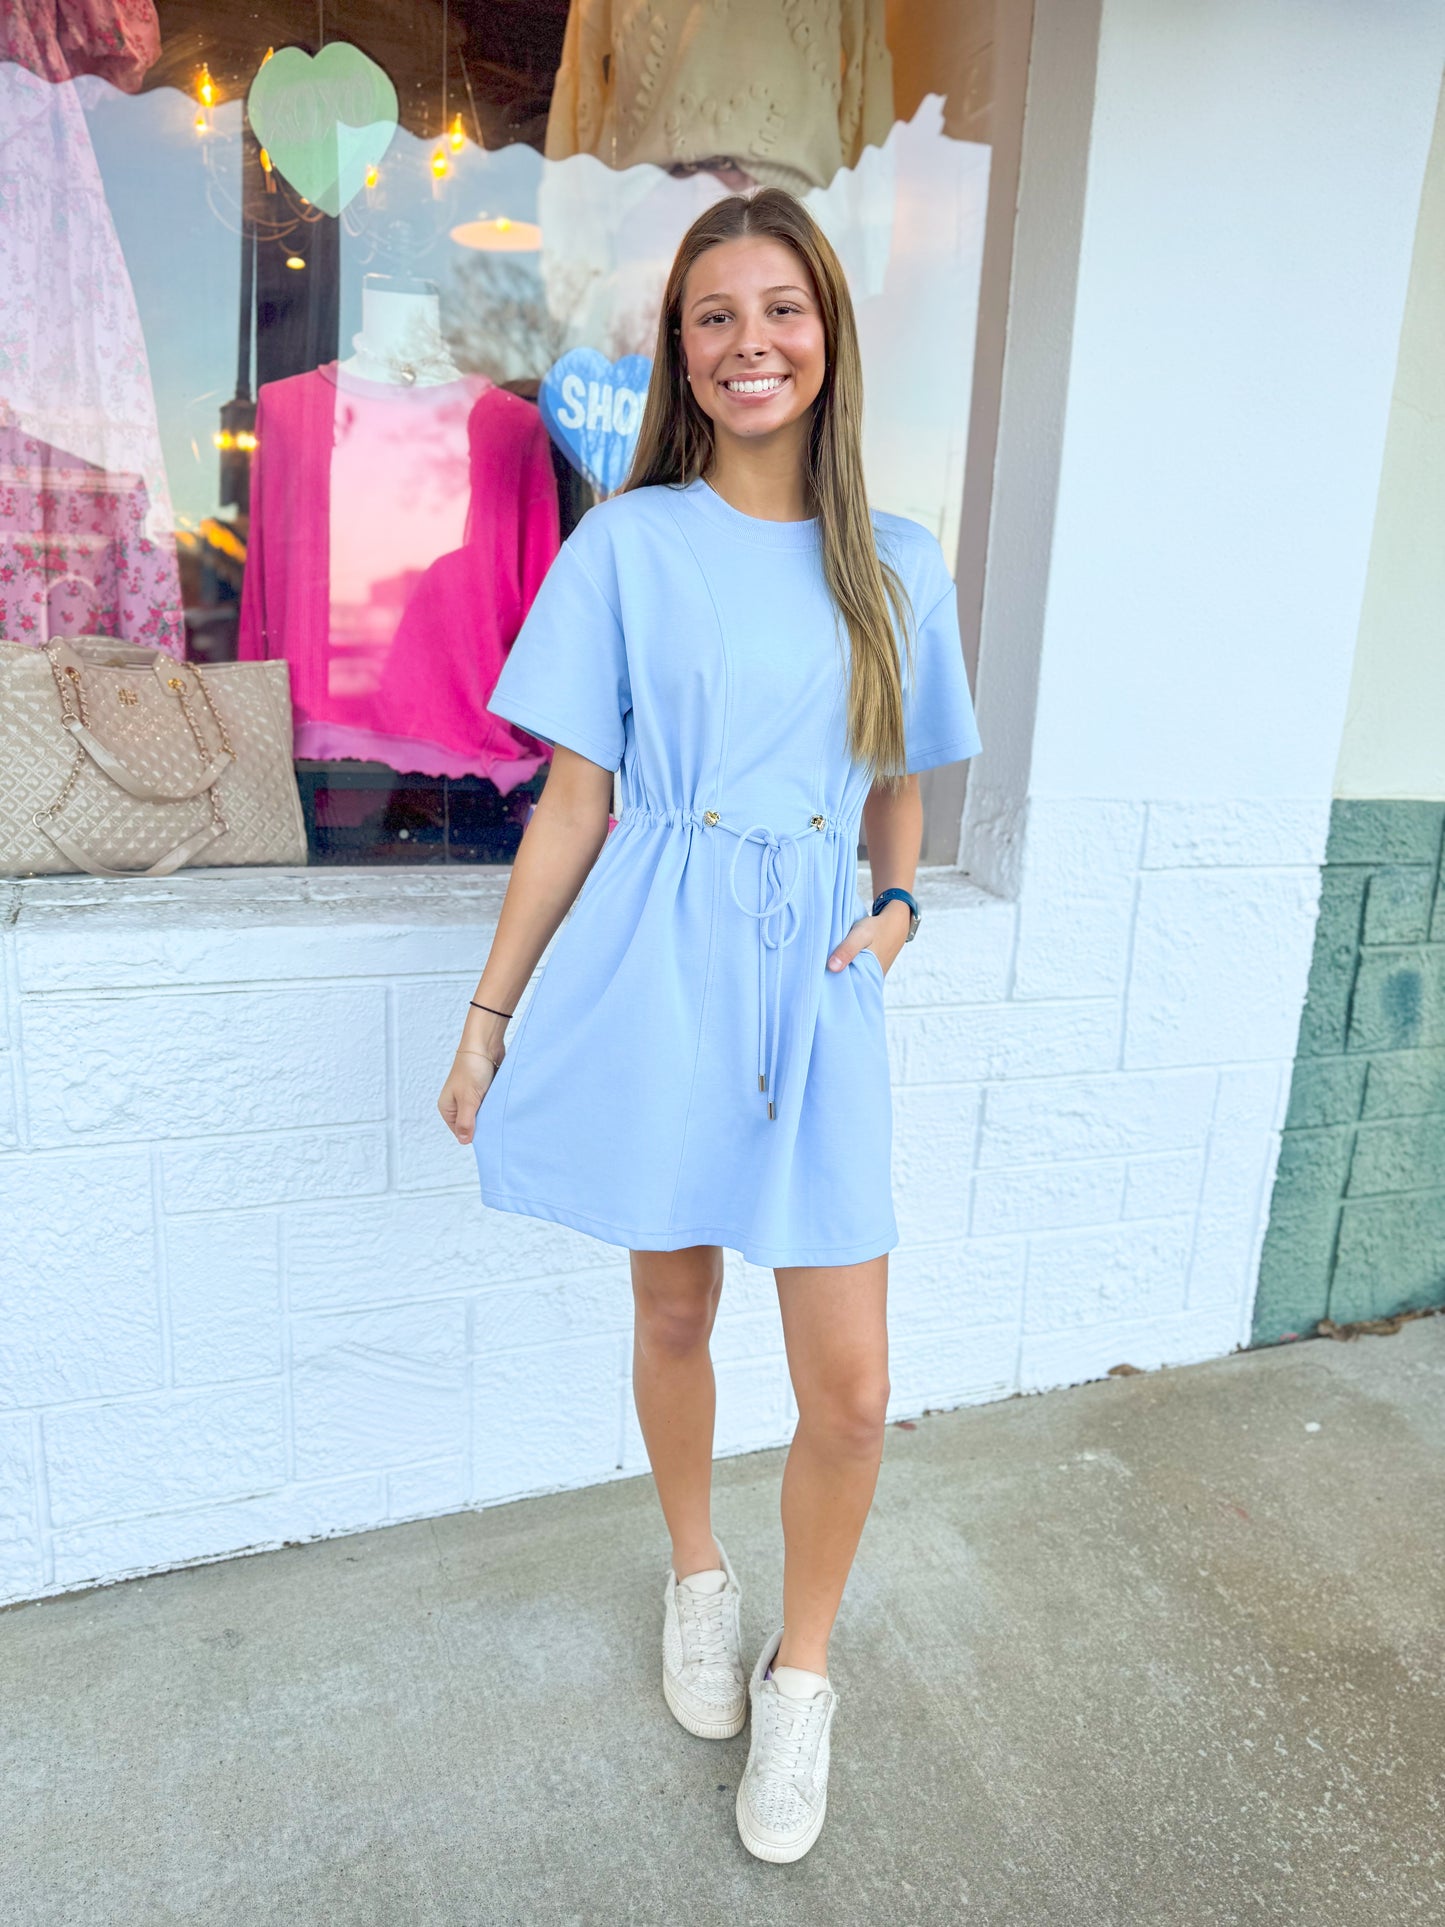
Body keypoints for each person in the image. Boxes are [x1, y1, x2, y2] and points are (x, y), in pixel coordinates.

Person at [438, 187, 981, 1864]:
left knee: (854, 1390)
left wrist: (894, 911)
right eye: (712, 317)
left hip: (816, 985)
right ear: (681, 352)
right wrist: (488, 1016)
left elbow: (896, 778)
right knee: (673, 1312)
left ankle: (798, 1673)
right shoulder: (627, 544)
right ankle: (696, 1571)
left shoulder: (895, 558)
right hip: (656, 963)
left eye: (780, 309)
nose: (751, 343)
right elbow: (573, 804)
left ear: (827, 332)